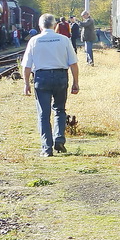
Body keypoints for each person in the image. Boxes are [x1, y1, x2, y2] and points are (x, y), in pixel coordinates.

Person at [21, 13, 80, 157]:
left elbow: (27, 66)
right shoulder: (64, 39)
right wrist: (75, 82)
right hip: (60, 77)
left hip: (42, 78)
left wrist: (26, 83)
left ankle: (47, 148)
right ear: (54, 25)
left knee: (43, 113)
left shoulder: (34, 41)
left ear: (40, 26)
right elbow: (73, 63)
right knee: (60, 110)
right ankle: (59, 139)